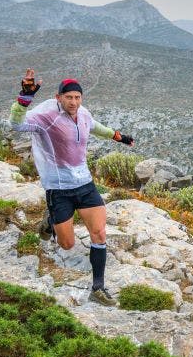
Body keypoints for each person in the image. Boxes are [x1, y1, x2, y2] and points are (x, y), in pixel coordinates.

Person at [9, 69, 135, 306]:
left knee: (99, 234)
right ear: (59, 98)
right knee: (67, 245)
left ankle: (97, 288)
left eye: (77, 97)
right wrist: (24, 99)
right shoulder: (46, 117)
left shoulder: (83, 113)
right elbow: (16, 125)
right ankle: (50, 220)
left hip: (85, 184)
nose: (74, 102)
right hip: (59, 189)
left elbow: (95, 126)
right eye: (69, 98)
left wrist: (119, 137)